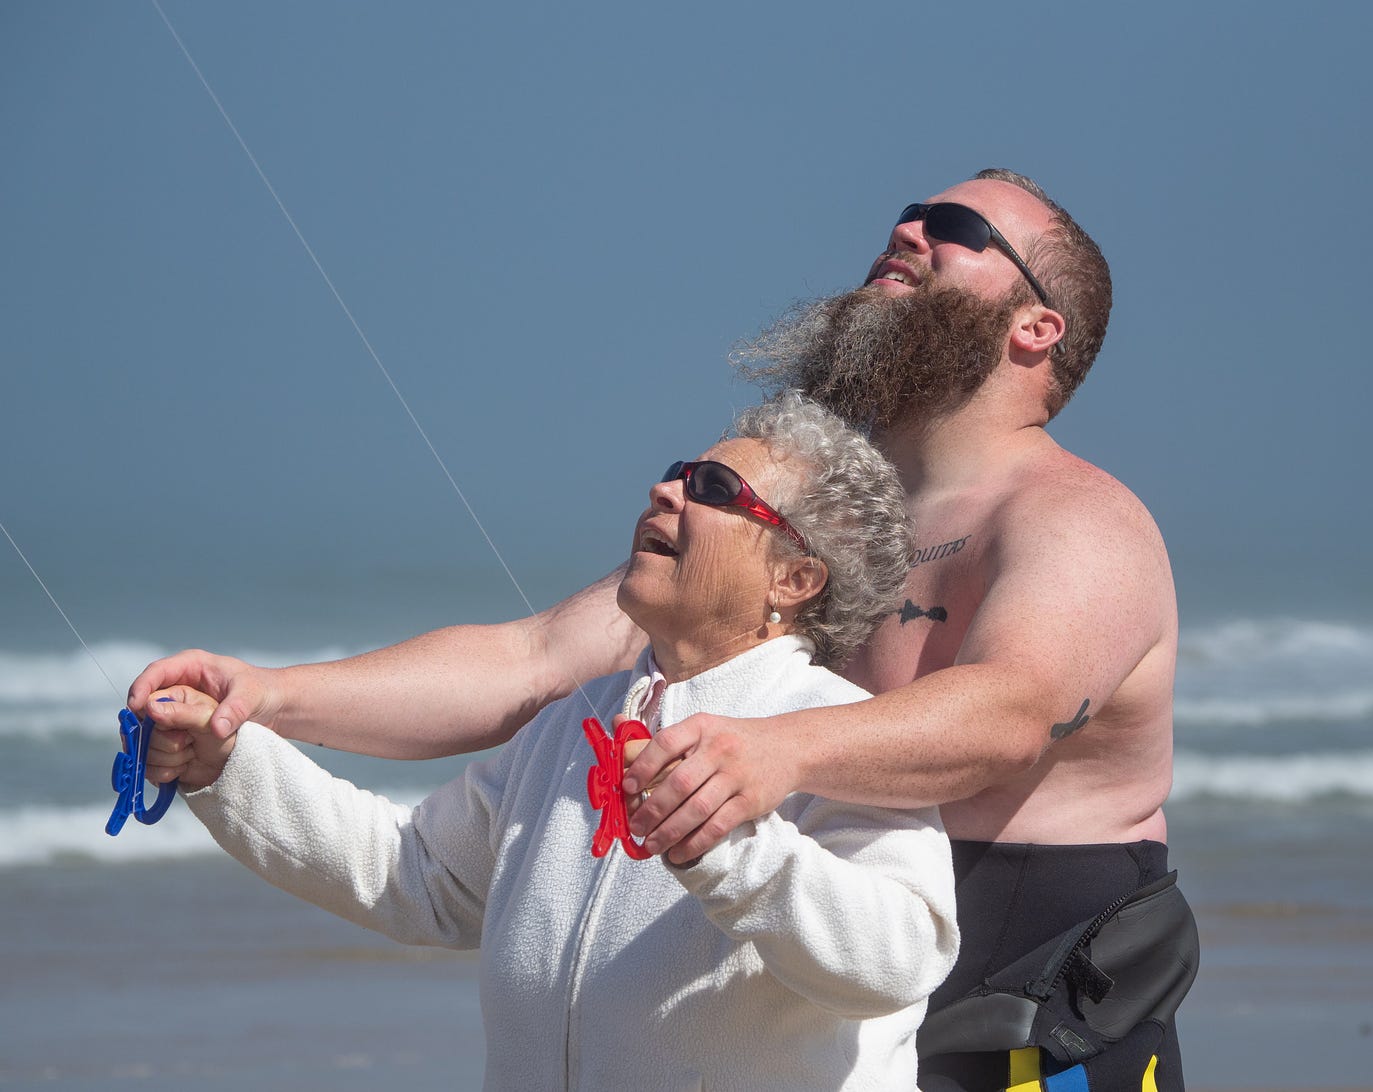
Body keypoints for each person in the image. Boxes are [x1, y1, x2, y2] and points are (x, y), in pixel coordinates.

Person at [135, 169, 1196, 1090]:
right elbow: (530, 661)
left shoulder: (1075, 521)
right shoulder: (773, 520)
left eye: (959, 232)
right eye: (908, 213)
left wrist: (768, 756)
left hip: (1032, 1010)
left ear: (1036, 326)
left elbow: (1008, 715)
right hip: (793, 988)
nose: (909, 230)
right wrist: (264, 697)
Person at [150, 394, 959, 1092]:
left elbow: (902, 956)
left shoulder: (833, 731)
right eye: (679, 470)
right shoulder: (578, 721)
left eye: (712, 488)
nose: (665, 489)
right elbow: (417, 874)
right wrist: (228, 763)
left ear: (794, 579)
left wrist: (729, 848)